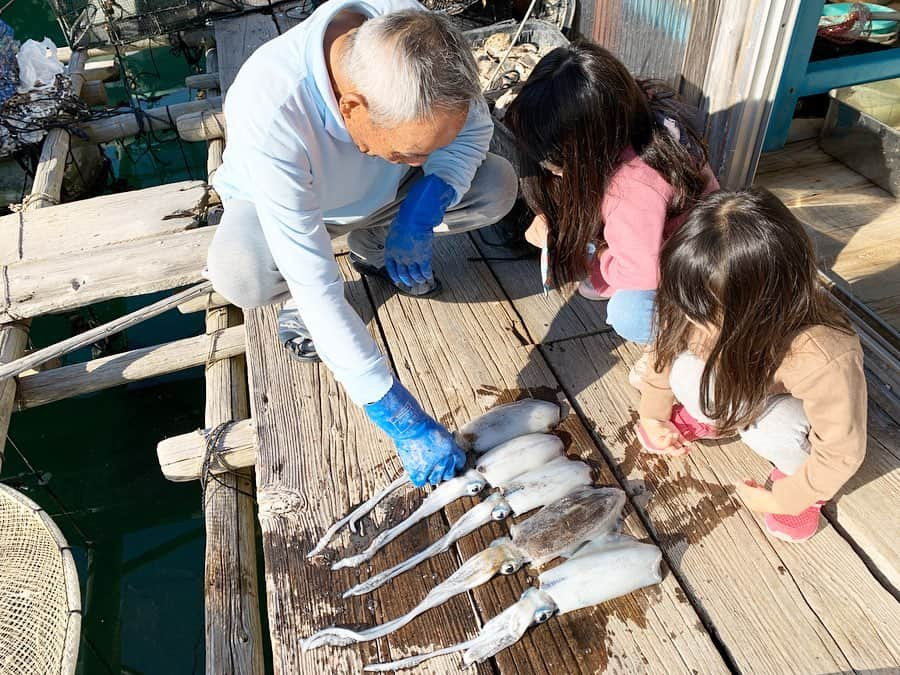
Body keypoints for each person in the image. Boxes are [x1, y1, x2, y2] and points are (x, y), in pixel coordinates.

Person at [206, 1, 518, 487]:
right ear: (351, 107)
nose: (420, 161)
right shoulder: (271, 107)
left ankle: (377, 240)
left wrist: (426, 203)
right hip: (294, 212)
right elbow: (318, 287)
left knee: (495, 184)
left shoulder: (417, 38)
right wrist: (398, 416)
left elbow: (473, 127)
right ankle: (327, 266)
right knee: (240, 270)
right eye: (412, 150)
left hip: (383, 194)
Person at [636, 188, 867, 543]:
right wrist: (653, 413)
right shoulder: (699, 300)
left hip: (788, 412)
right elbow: (664, 353)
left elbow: (840, 450)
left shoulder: (821, 355)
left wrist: (786, 498)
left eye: (703, 315)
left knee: (775, 429)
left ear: (761, 309)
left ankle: (798, 483)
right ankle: (713, 419)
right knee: (684, 371)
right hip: (742, 382)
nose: (688, 318)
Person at [504, 42, 718, 377]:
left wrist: (593, 255)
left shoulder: (633, 187)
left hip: (693, 273)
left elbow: (644, 273)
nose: (549, 169)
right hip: (663, 239)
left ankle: (673, 343)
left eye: (558, 162)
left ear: (592, 147)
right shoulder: (627, 117)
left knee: (628, 314)